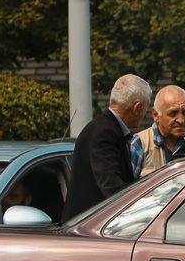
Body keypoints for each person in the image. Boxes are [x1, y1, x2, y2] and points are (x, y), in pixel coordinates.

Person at [64, 74, 152, 220]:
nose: (145, 114)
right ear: (137, 107)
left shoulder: (103, 127)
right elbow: (110, 185)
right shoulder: (105, 132)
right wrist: (141, 209)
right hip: (88, 228)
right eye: (146, 108)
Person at [130, 84, 185, 179]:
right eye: (173, 113)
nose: (181, 120)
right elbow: (128, 192)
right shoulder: (140, 144)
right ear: (156, 115)